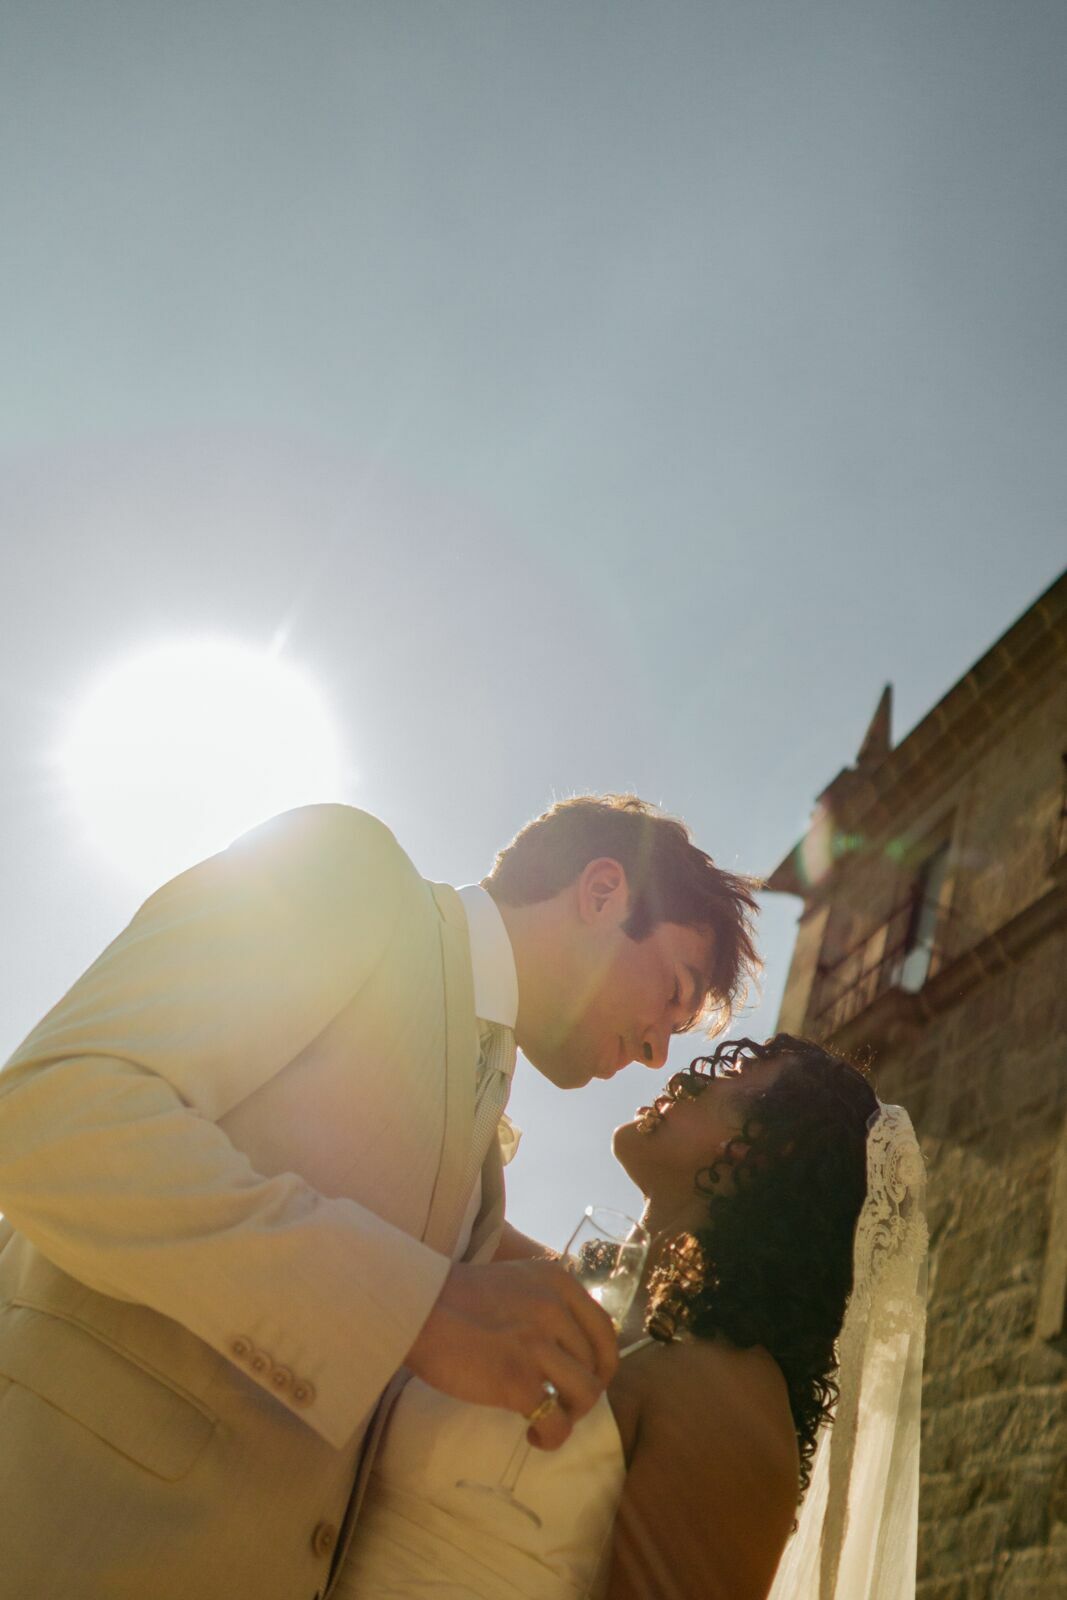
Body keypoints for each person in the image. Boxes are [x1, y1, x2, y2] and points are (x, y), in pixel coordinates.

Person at [0, 793, 759, 1599]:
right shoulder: (347, 870)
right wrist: (415, 1309)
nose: (656, 1052)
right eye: (673, 992)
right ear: (603, 892)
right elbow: (49, 1113)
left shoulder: (484, 1145)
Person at [336, 1033, 928, 1600]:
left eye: (727, 1077)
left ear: (760, 1150)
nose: (684, 1079)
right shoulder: (550, 1289)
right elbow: (426, 1189)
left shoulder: (729, 1397)